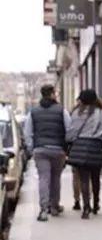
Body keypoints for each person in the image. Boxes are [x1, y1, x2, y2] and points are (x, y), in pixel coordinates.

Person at [24, 83, 71, 222]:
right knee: (56, 178)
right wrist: (66, 146)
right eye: (55, 93)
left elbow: (27, 132)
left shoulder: (33, 112)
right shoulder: (62, 110)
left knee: (44, 178)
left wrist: (31, 148)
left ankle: (43, 210)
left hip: (40, 149)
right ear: (52, 94)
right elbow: (69, 129)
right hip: (58, 150)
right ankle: (54, 207)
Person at [67, 89, 102, 219]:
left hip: (80, 147)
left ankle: (86, 207)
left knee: (83, 179)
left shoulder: (76, 113)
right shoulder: (101, 113)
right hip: (96, 147)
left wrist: (69, 142)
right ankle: (96, 203)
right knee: (95, 178)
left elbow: (71, 132)